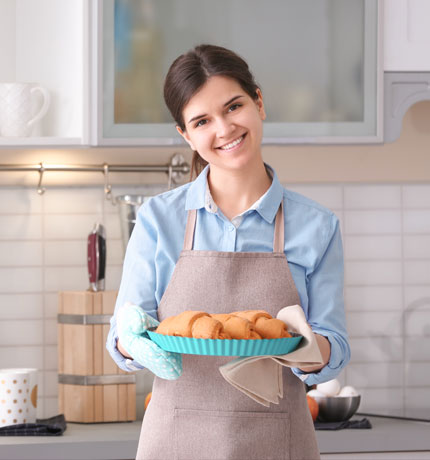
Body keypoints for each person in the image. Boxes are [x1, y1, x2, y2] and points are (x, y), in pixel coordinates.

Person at [107, 44, 350, 460]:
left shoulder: (317, 226)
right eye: (202, 121)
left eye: (233, 106)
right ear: (186, 134)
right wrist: (131, 336)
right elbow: (121, 344)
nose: (224, 129)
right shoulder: (158, 220)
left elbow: (336, 348)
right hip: (174, 440)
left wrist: (306, 346)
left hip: (279, 441)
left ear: (258, 102)